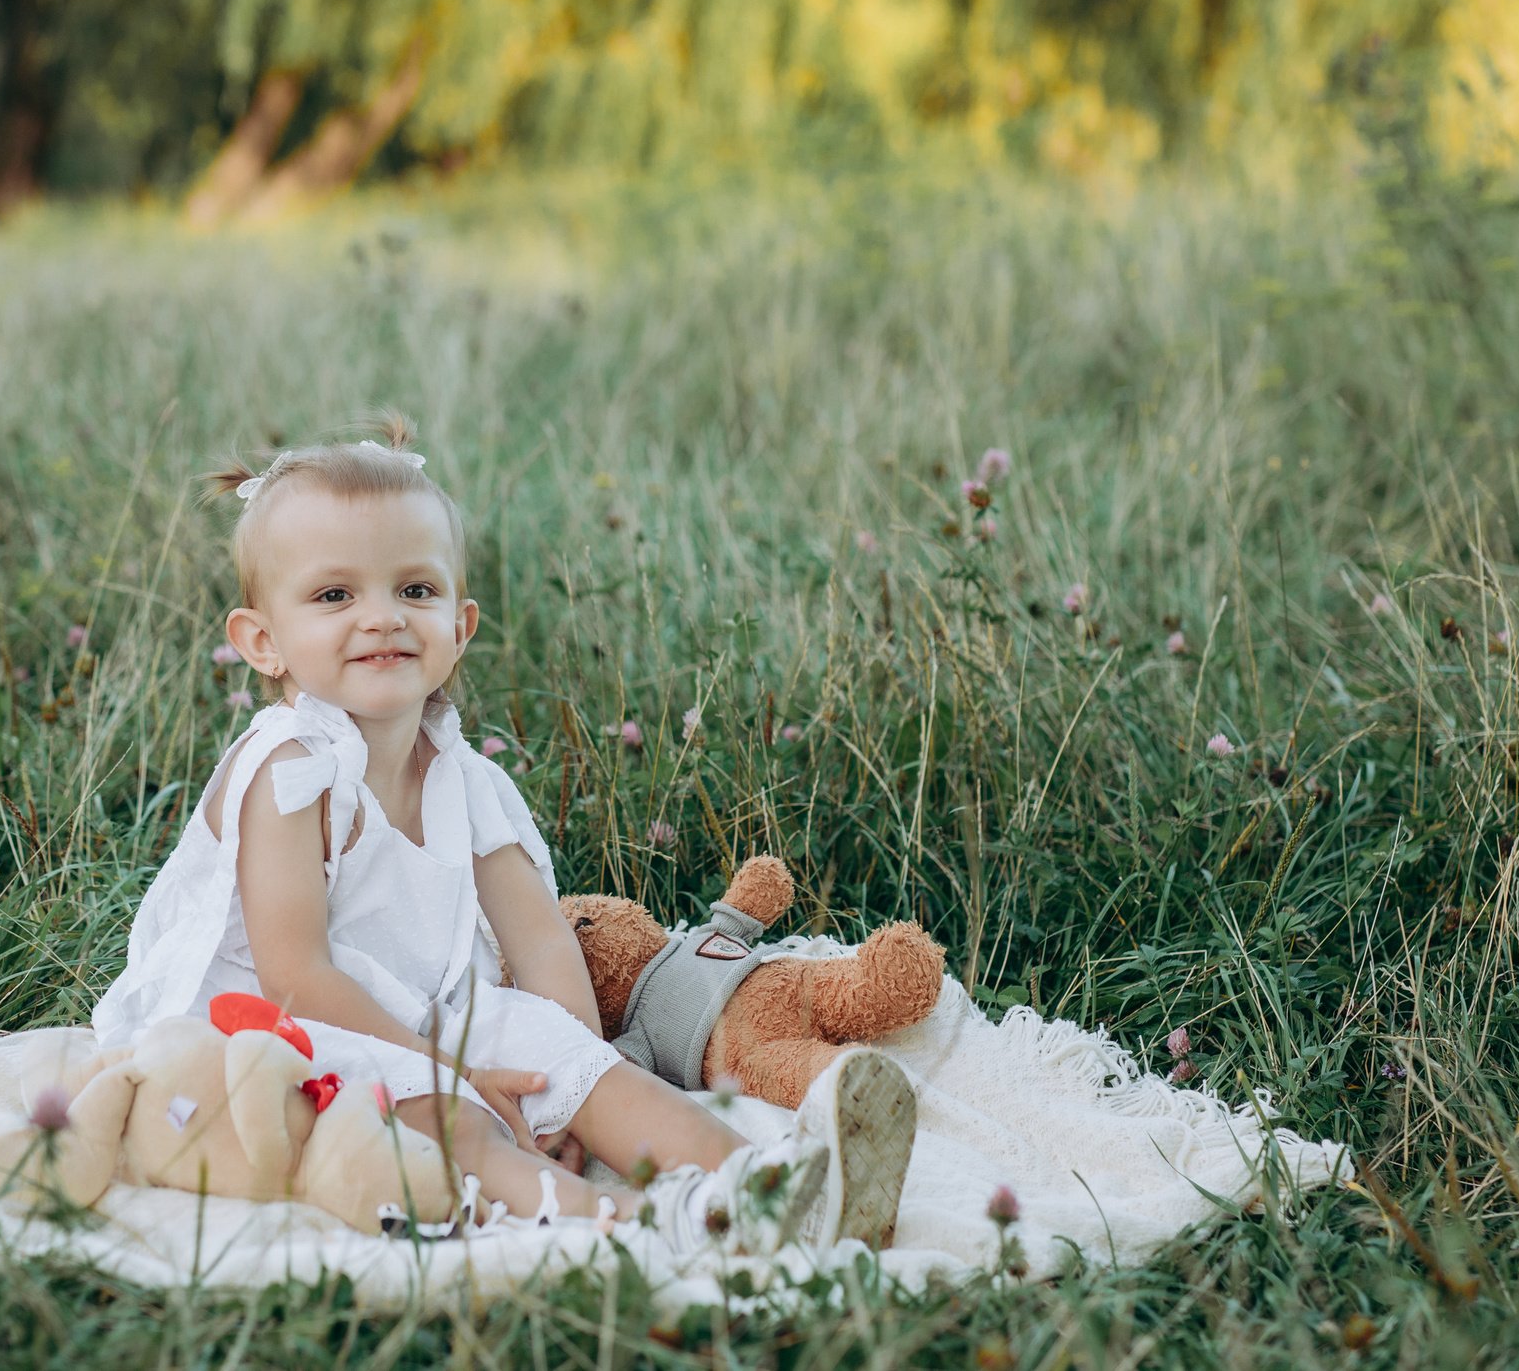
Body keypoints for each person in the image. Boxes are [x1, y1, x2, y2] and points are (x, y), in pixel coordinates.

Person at [92, 418, 914, 1251]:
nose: (382, 618)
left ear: (460, 625)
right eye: (335, 595)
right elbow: (295, 973)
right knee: (454, 1119)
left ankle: (773, 1184)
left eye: (415, 590)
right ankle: (649, 1225)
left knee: (589, 1067)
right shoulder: (289, 770)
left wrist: (567, 1077)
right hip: (284, 1027)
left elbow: (543, 943)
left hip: (428, 1015)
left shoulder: (466, 779)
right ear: (262, 641)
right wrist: (457, 1075)